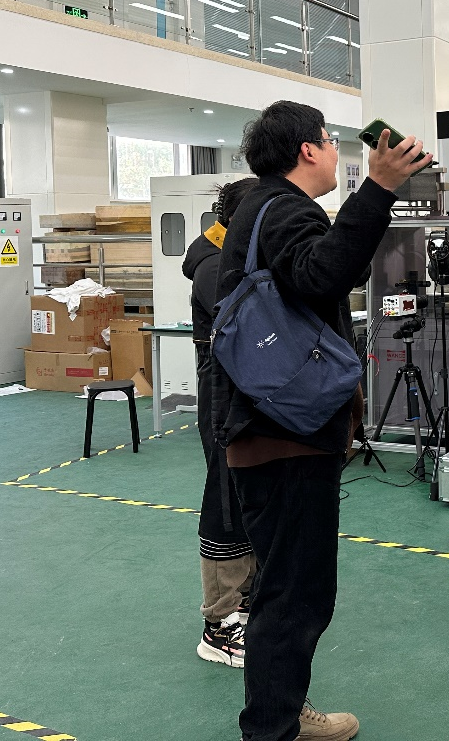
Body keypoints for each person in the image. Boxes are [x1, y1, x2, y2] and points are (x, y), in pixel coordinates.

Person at [214, 101, 430, 741]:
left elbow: (318, 272)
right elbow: (323, 275)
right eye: (330, 141)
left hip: (270, 425)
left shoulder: (261, 207)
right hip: (286, 433)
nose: (337, 152)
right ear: (308, 149)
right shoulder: (285, 209)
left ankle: (280, 713)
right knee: (295, 594)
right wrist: (379, 189)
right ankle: (272, 728)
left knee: (286, 587)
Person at [182, 176, 259, 668]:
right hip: (224, 396)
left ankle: (246, 601)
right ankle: (219, 622)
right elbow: (249, 323)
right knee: (226, 501)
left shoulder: (237, 255)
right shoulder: (214, 266)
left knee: (251, 496)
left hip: (249, 392)